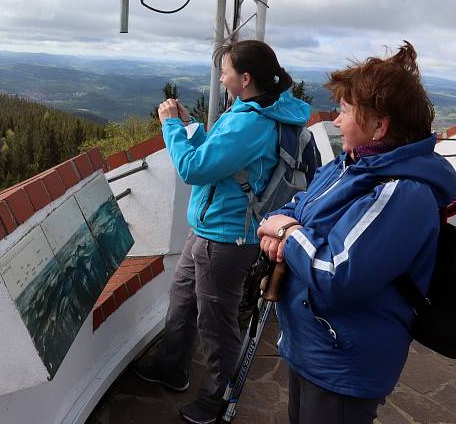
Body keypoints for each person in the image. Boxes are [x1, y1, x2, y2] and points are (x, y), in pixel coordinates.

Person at [257, 42, 456, 424]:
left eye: (346, 111)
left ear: (379, 127)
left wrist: (287, 234)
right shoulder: (350, 166)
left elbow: (337, 273)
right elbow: (297, 207)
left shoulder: (403, 193)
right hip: (312, 344)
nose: (335, 120)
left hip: (343, 362)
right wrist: (282, 226)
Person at [134, 40, 311, 424]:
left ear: (245, 79)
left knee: (216, 321)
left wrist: (169, 126)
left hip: (227, 237)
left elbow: (194, 170)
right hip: (208, 228)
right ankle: (171, 367)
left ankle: (217, 398)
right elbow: (222, 160)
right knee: (182, 301)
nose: (221, 76)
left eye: (226, 70)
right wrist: (188, 129)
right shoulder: (250, 110)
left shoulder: (251, 122)